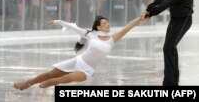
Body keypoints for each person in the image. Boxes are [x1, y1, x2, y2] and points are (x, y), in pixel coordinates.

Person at [13, 12, 146, 90]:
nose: (108, 24)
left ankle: (53, 82)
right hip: (78, 60)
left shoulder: (112, 39)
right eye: (105, 23)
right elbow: (72, 27)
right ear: (98, 26)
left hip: (87, 69)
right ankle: (26, 83)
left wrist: (140, 18)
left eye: (108, 22)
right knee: (50, 73)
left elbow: (128, 27)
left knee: (67, 78)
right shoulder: (89, 34)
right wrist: (57, 21)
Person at [144, 0, 193, 86]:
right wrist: (149, 8)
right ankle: (174, 79)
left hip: (183, 19)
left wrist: (151, 13)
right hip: (174, 18)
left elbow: (169, 2)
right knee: (170, 47)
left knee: (168, 47)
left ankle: (169, 82)